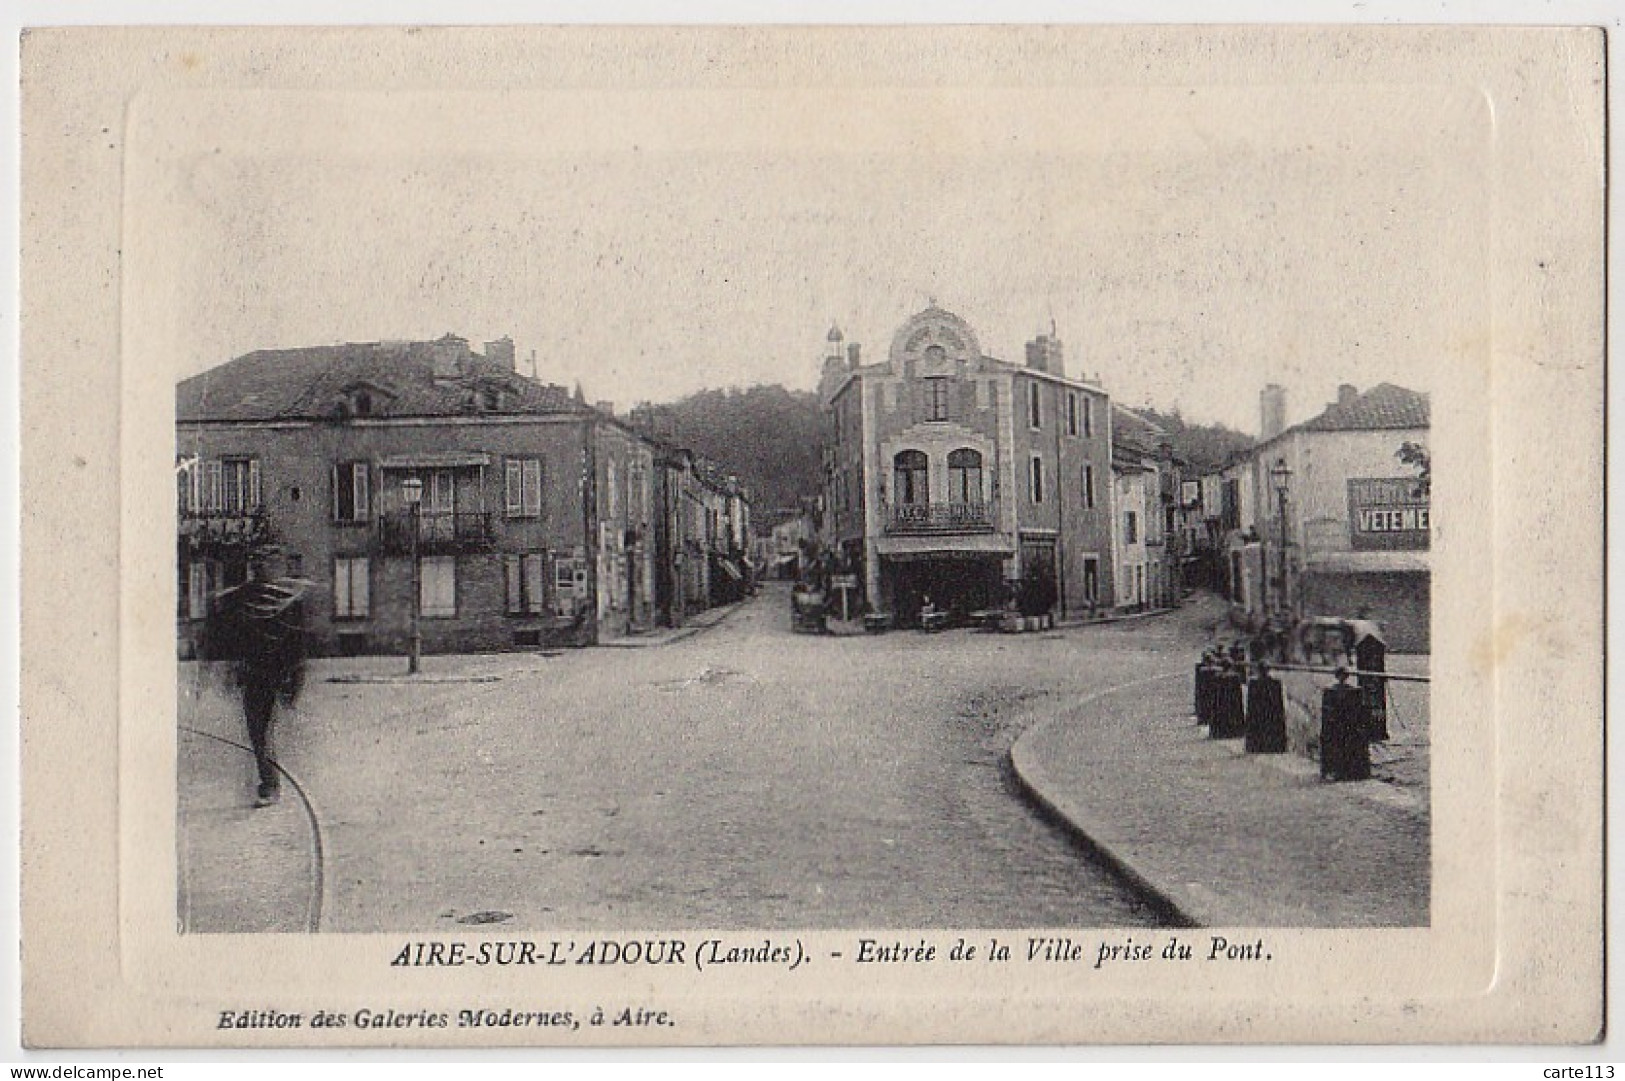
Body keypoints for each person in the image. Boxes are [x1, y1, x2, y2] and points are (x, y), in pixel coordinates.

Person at [213, 547, 309, 807]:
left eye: (264, 563)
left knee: (264, 730)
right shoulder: (243, 598)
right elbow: (232, 636)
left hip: (277, 673)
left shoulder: (289, 600)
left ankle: (270, 783)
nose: (259, 568)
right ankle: (269, 782)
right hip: (255, 673)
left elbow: (298, 644)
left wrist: (296, 679)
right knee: (259, 731)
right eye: (256, 563)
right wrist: (232, 667)